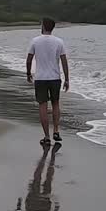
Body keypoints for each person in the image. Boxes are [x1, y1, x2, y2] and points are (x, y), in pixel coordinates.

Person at [26, 17, 69, 145]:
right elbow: (64, 61)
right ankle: (56, 130)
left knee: (43, 106)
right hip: (55, 77)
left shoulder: (35, 41)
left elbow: (29, 59)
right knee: (56, 104)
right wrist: (67, 79)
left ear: (44, 26)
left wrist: (28, 73)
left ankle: (47, 136)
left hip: (41, 78)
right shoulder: (59, 42)